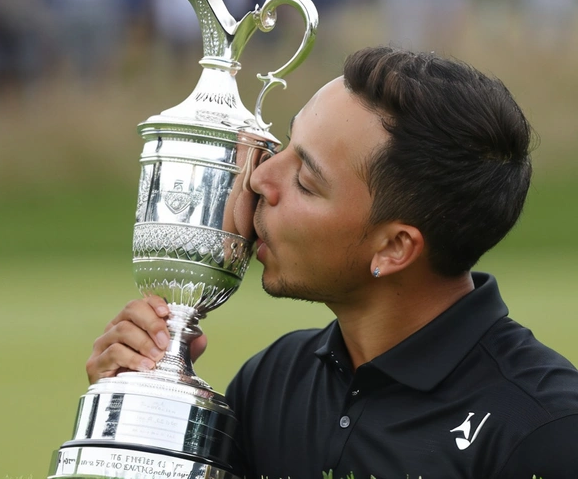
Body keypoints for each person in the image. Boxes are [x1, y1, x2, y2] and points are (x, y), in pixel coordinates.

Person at [86, 46, 578, 478]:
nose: (260, 180)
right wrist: (138, 421)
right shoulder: (274, 380)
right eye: (287, 144)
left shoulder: (544, 432)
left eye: (306, 181)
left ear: (395, 248)